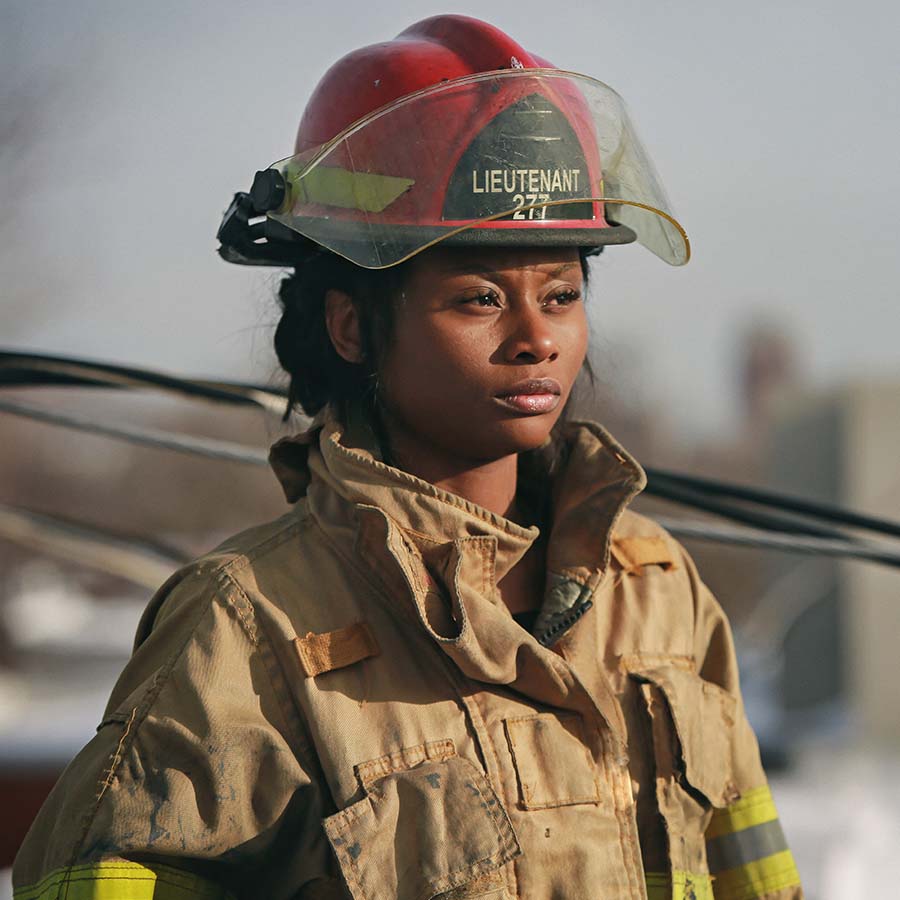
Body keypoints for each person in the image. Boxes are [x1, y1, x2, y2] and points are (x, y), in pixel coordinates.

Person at [13, 14, 803, 900]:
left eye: (563, 292)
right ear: (353, 326)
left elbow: (757, 875)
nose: (537, 338)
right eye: (477, 297)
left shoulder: (660, 591)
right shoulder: (250, 628)